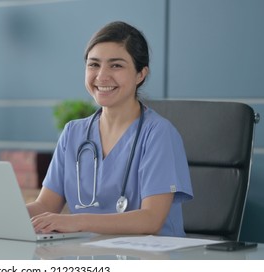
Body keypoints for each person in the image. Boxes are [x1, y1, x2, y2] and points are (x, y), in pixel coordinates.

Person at [27, 21, 193, 237]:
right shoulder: (72, 133)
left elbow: (151, 219)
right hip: (89, 257)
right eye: (93, 64)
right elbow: (44, 206)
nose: (102, 76)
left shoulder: (158, 134)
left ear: (140, 74)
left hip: (150, 260)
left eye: (116, 65)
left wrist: (76, 222)